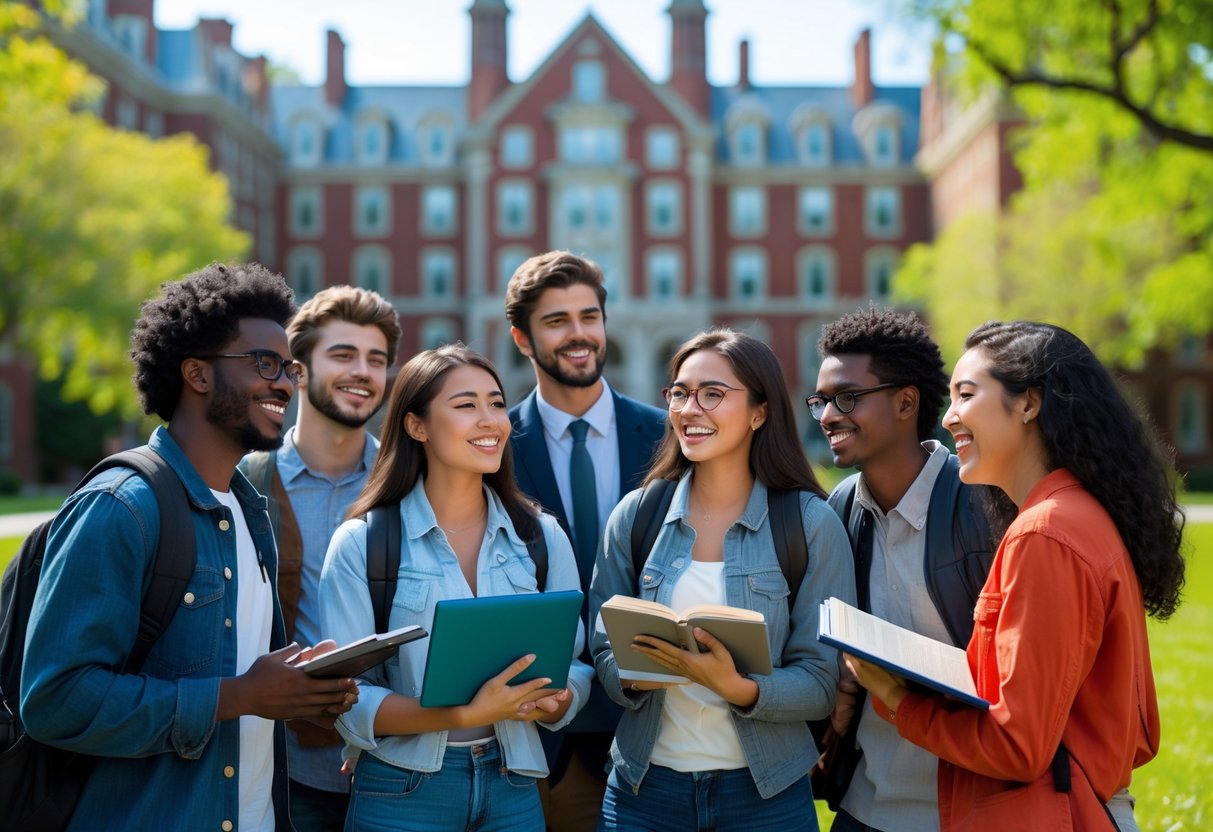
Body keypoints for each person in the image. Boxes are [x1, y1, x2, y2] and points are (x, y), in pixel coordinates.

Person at [20, 263, 358, 831]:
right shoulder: (122, 507)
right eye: (264, 364)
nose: (284, 384)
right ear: (198, 374)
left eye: (289, 368)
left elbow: (242, 674)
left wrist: (297, 689)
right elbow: (56, 700)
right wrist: (239, 697)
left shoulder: (251, 511)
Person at [846, 321, 1185, 832]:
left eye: (966, 394)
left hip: (1059, 813)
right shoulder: (1072, 514)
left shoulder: (1046, 534)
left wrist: (897, 698)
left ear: (1028, 403)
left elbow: (1016, 746)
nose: (948, 417)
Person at [588, 328, 856, 832]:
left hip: (765, 798)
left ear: (759, 411)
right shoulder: (636, 516)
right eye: (680, 394)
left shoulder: (810, 525)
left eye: (713, 394)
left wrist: (737, 687)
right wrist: (640, 672)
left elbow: (822, 682)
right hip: (645, 794)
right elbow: (601, 651)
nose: (691, 408)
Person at [318, 344, 594, 832]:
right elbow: (346, 697)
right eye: (466, 405)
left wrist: (562, 698)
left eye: (496, 403)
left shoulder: (543, 536)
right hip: (401, 791)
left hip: (515, 787)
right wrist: (463, 714)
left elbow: (574, 661)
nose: (490, 420)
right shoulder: (363, 543)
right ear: (416, 426)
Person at [810, 307, 997, 832]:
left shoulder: (982, 505)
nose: (827, 416)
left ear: (906, 402)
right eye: (821, 401)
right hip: (865, 808)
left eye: (846, 398)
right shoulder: (840, 509)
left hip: (968, 810)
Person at [505, 250, 666, 830]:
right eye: (557, 321)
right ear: (523, 339)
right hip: (541, 728)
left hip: (655, 722)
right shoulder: (493, 446)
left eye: (589, 316)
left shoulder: (666, 436)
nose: (579, 335)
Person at [238, 285, 401, 830]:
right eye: (343, 355)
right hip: (288, 768)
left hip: (400, 765)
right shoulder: (246, 486)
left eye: (376, 360)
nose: (362, 371)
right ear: (299, 371)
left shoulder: (409, 487)